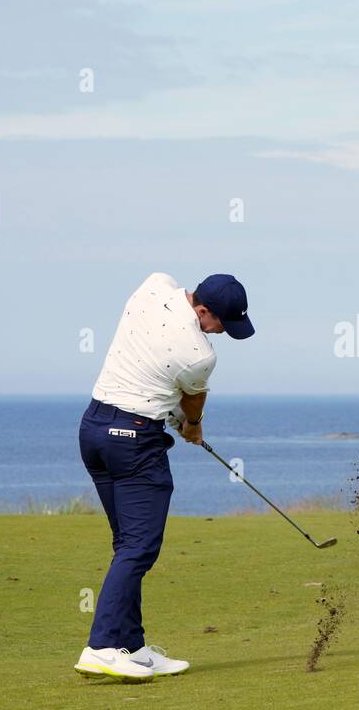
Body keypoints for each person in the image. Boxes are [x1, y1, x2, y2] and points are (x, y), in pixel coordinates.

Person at [73, 272, 254, 681]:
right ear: (202, 310)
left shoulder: (153, 285)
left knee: (127, 545)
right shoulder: (200, 354)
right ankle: (100, 647)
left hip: (95, 429)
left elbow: (155, 368)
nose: (221, 332)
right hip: (134, 443)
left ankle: (130, 645)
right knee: (140, 547)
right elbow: (192, 401)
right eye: (219, 323)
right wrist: (194, 425)